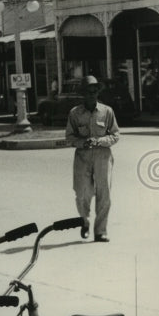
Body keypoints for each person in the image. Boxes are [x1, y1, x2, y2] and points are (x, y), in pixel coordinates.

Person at [65, 76, 120, 242]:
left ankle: (100, 231)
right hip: (83, 157)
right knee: (82, 192)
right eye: (88, 91)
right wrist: (82, 142)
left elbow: (115, 134)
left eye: (95, 91)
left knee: (105, 193)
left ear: (98, 92)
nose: (92, 94)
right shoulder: (75, 113)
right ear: (83, 94)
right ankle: (84, 221)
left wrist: (100, 141)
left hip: (103, 156)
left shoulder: (107, 111)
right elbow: (69, 137)